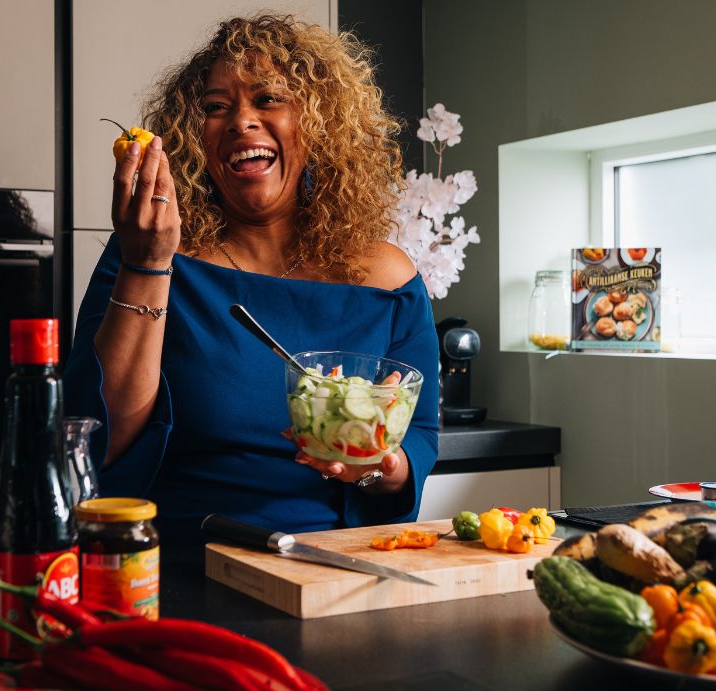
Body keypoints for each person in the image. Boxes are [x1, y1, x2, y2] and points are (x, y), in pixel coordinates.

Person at [64, 13, 439, 543]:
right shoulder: (151, 251)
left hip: (331, 562)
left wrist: (383, 466)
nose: (241, 121)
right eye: (216, 108)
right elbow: (98, 437)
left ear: (318, 123)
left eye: (268, 99)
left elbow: (418, 434)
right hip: (180, 560)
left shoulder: (389, 280)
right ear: (195, 139)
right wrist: (147, 265)